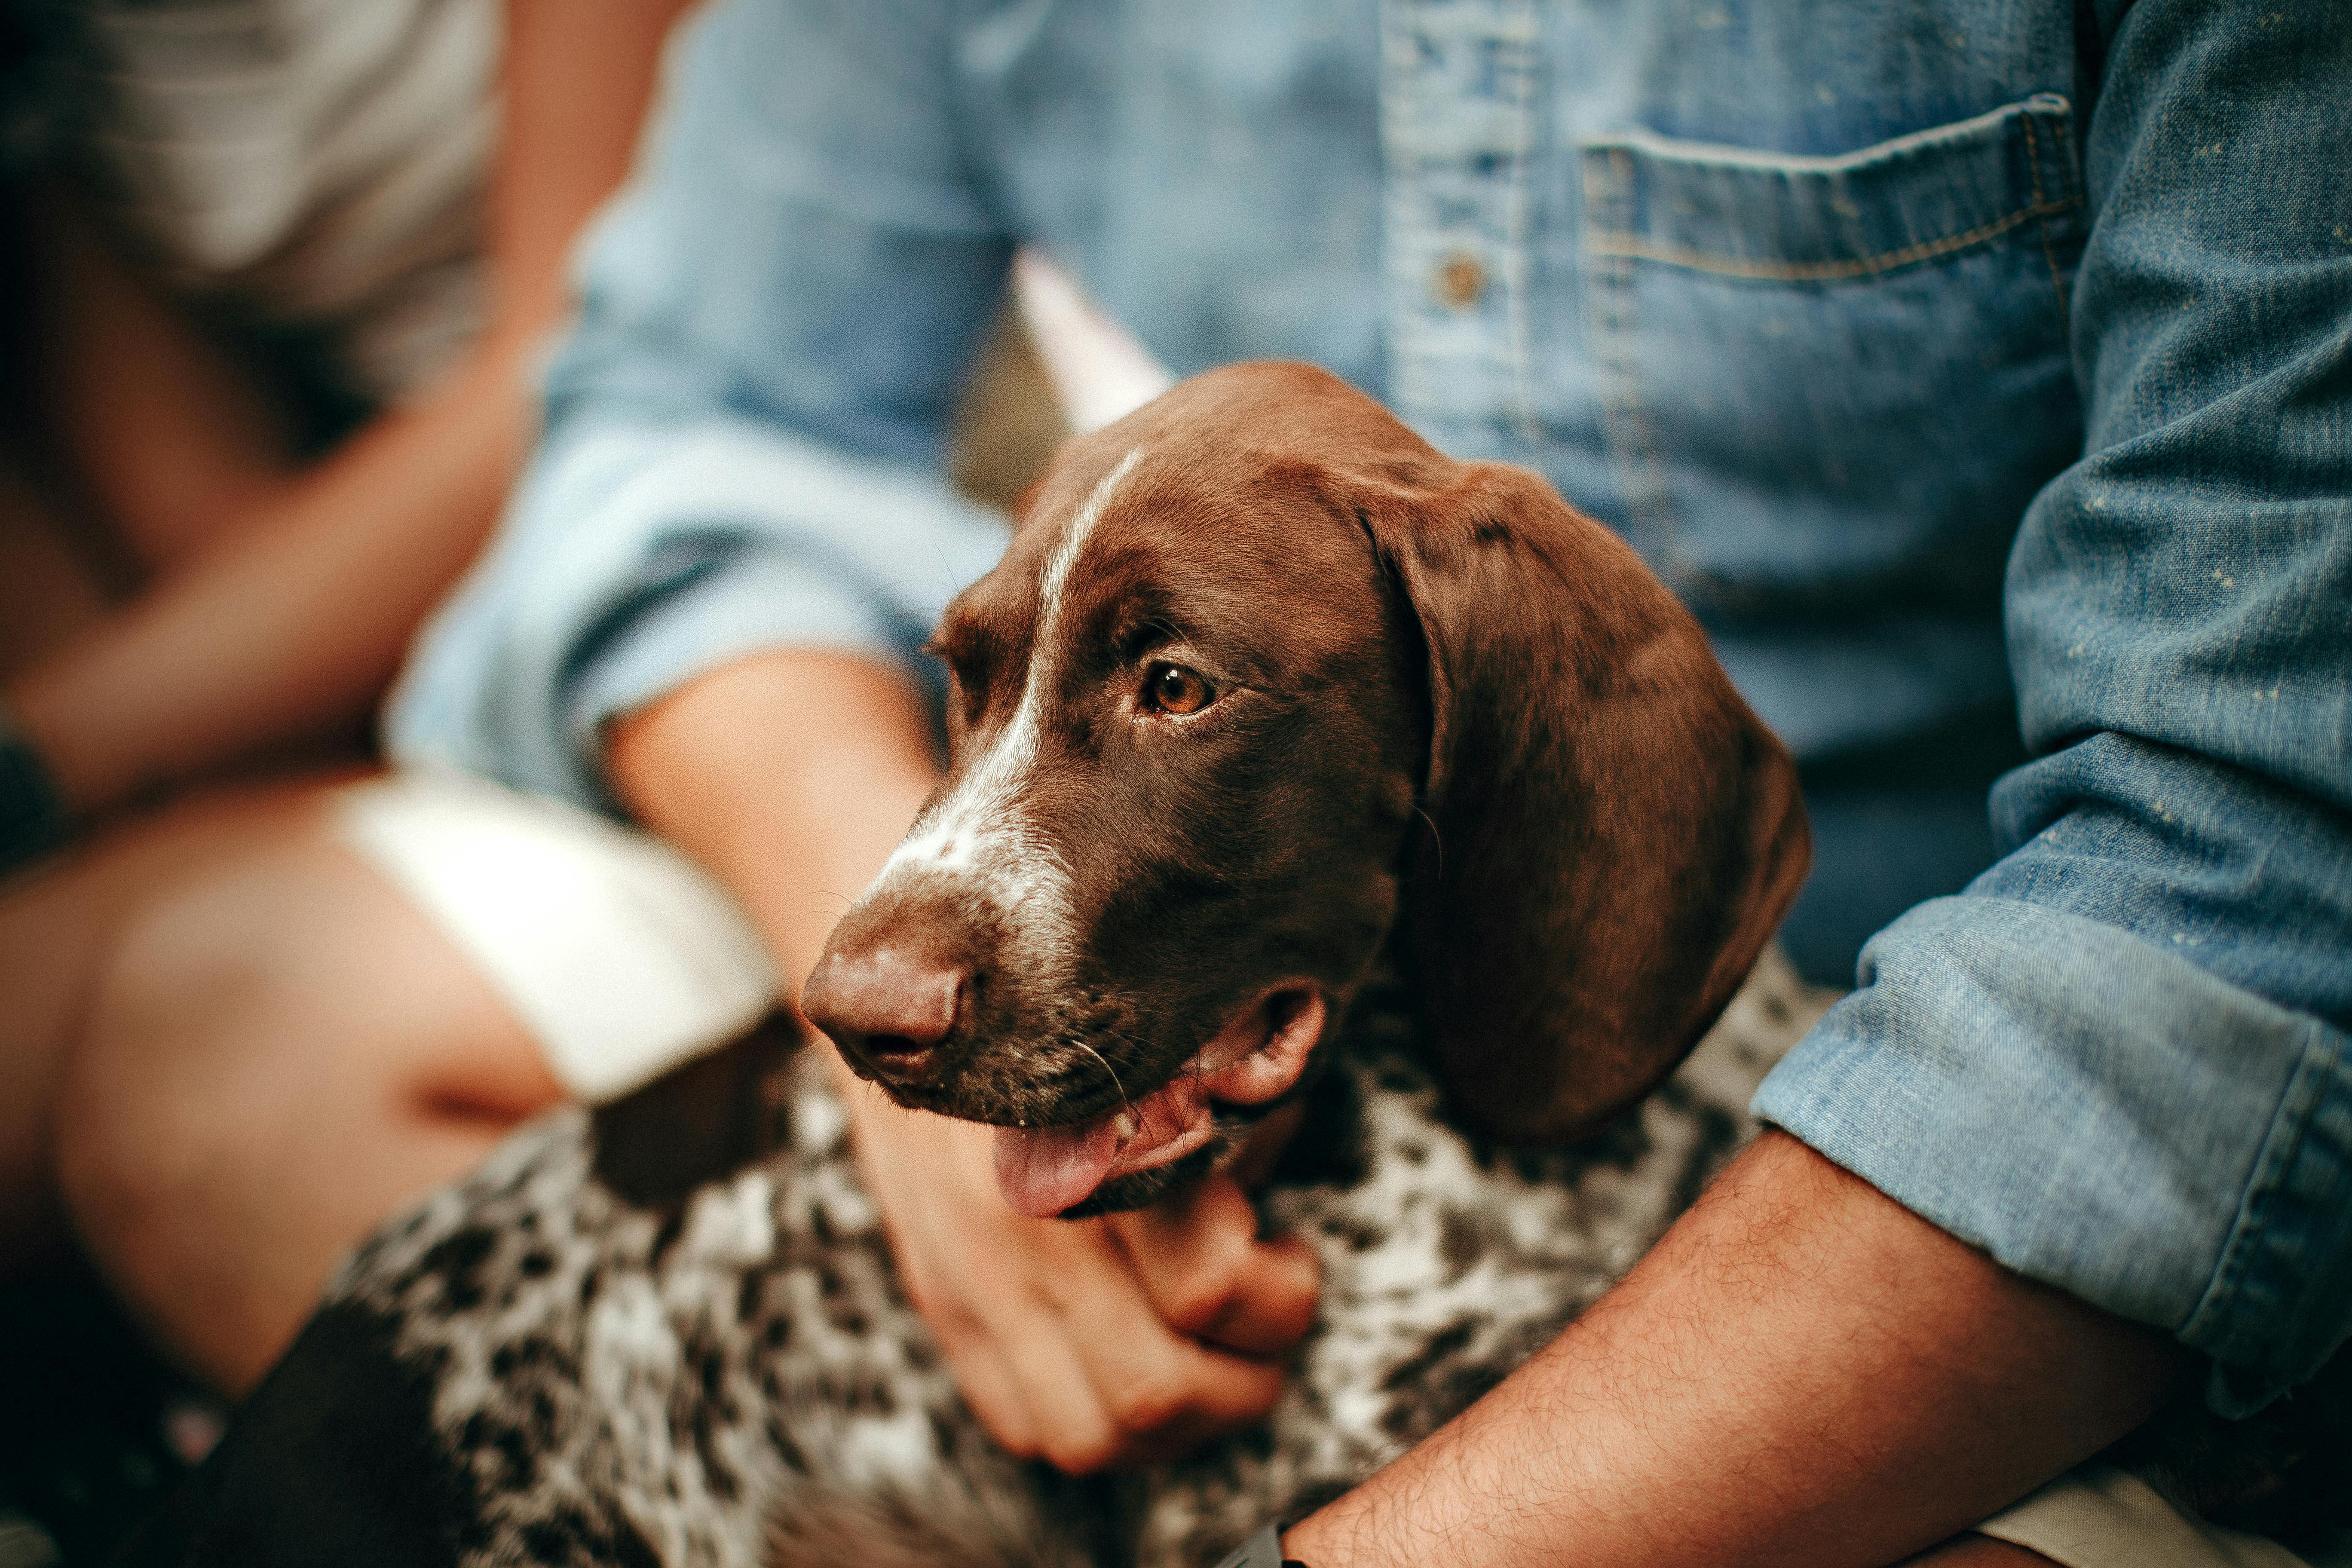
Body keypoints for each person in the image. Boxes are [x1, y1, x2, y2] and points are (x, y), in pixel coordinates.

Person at [34, 0, 2352, 1563]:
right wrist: (904, 1060)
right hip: (1194, 1009)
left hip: (1919, 1121)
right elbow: (679, 425)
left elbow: (2249, 889)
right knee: (217, 1033)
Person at [0, 0, 689, 1360]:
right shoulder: (68, 59)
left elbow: (586, 368)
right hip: (383, 670)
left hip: (662, 552)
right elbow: (210, 541)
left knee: (189, 1076)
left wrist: (31, 762)